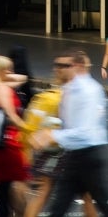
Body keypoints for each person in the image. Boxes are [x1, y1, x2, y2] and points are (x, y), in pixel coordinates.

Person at [29, 49, 108, 216]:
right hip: (73, 156)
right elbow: (69, 124)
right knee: (59, 206)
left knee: (103, 201)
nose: (57, 69)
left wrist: (52, 135)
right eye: (56, 65)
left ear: (77, 66)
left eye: (63, 65)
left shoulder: (90, 91)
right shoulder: (68, 89)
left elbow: (87, 130)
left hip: (91, 156)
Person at [0, 55, 30, 217]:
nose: (11, 72)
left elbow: (23, 78)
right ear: (0, 70)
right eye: (7, 69)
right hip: (9, 140)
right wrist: (30, 130)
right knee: (18, 181)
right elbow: (12, 115)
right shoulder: (2, 89)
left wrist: (4, 74)